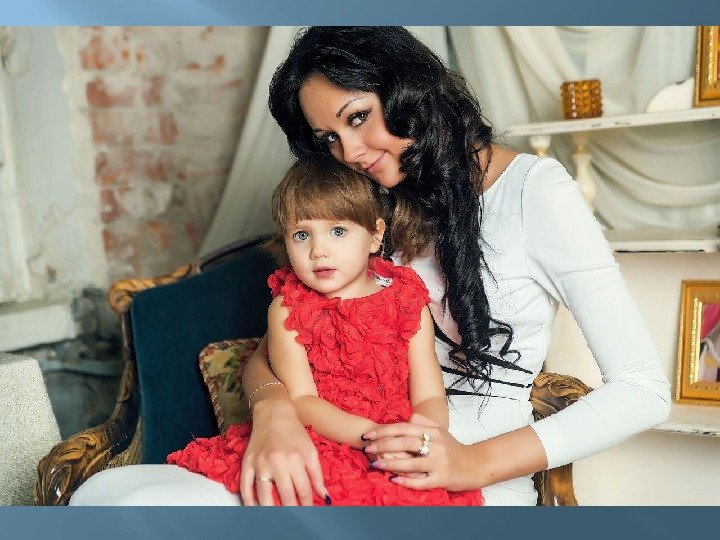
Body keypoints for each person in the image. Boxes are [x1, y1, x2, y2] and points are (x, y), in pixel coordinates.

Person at [239, 26, 671, 506]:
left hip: (477, 481)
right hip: (351, 457)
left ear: (409, 88)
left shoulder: (534, 193)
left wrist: (473, 463)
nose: (350, 153)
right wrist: (274, 411)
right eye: (329, 138)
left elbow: (644, 390)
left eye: (358, 117)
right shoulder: (368, 207)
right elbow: (273, 349)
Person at [70, 155, 482, 506]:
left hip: (401, 440)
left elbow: (429, 392)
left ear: (375, 235)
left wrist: (423, 436)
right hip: (324, 437)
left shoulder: (407, 300)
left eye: (338, 231)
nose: (318, 250)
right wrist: (371, 438)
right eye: (302, 235)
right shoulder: (288, 309)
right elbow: (302, 400)